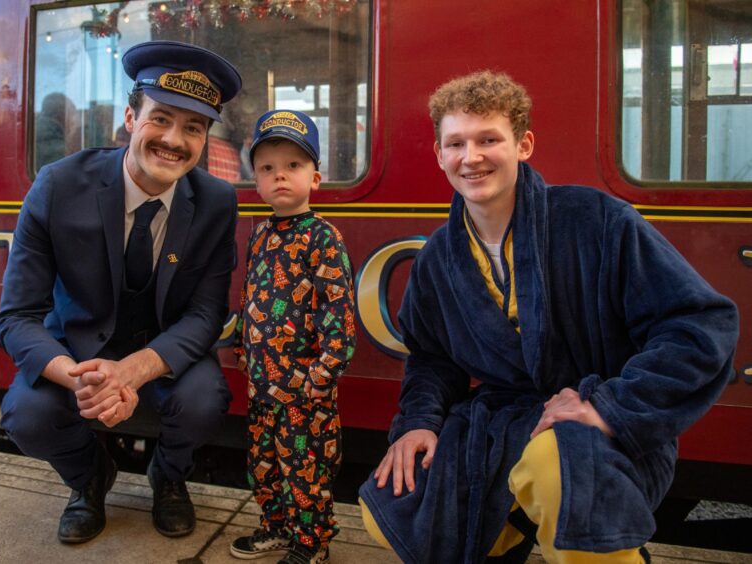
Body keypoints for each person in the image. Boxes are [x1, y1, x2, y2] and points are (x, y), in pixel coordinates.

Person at [358, 71, 739, 563]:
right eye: (456, 143)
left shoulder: (597, 220)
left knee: (555, 468)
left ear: (524, 145)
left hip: (608, 426)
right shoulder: (438, 257)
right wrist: (419, 421)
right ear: (439, 155)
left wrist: (610, 407)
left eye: (488, 139)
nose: (470, 157)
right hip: (499, 426)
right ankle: (509, 536)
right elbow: (433, 359)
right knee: (393, 505)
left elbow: (699, 323)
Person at [0, 40, 242, 544]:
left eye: (193, 128)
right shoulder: (58, 185)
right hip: (81, 353)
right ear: (131, 118)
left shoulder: (217, 202)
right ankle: (90, 477)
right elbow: (17, 316)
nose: (174, 140)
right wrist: (81, 378)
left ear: (205, 139)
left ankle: (168, 475)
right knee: (27, 413)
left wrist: (133, 370)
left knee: (205, 398)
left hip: (163, 347)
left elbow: (205, 314)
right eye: (161, 119)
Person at [229, 110, 356, 564]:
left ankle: (311, 544)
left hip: (306, 392)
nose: (280, 174)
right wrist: (244, 349)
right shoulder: (259, 234)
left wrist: (321, 377)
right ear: (257, 182)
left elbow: (339, 316)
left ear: (315, 178)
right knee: (264, 466)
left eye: (294, 165)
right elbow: (251, 297)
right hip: (263, 386)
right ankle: (276, 529)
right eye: (267, 167)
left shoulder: (324, 238)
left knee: (306, 473)